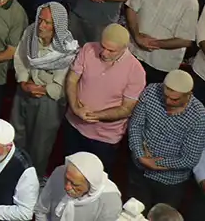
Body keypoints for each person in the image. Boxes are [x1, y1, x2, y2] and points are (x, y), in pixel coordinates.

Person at [63, 24, 147, 166]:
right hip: (74, 126)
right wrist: (75, 107)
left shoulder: (136, 71)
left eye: (111, 50)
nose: (104, 53)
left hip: (104, 138)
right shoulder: (88, 49)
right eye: (103, 46)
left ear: (124, 48)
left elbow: (126, 109)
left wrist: (94, 116)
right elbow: (72, 79)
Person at [125, 69, 205, 210]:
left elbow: (190, 158)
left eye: (174, 99)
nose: (168, 101)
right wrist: (140, 156)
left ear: (188, 95)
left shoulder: (198, 116)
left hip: (169, 182)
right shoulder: (151, 92)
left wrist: (155, 163)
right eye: (165, 96)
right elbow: (135, 126)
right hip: (139, 170)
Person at [12, 1, 78, 170]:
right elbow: (21, 57)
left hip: (48, 99)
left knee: (40, 144)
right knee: (16, 133)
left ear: (57, 25)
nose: (41, 25)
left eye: (47, 22)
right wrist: (23, 81)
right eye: (40, 19)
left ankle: (35, 176)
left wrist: (41, 89)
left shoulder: (67, 47)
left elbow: (62, 82)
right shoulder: (31, 31)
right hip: (25, 87)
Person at [125, 0, 199, 84]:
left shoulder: (190, 1)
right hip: (133, 51)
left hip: (160, 63)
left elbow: (186, 39)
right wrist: (137, 36)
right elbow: (131, 8)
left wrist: (153, 43)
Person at [33, 153, 122, 221]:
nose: (67, 187)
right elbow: (41, 210)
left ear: (91, 185)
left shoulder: (110, 200)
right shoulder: (59, 173)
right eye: (66, 179)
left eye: (75, 184)